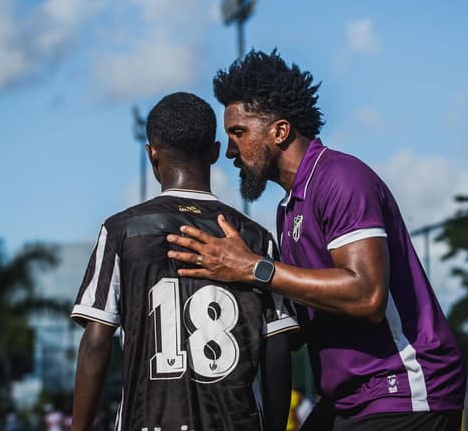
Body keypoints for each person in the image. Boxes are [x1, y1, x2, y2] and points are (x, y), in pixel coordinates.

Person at [166, 51, 467, 430]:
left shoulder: (341, 178)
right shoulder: (289, 208)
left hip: (402, 388)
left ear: (279, 131)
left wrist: (252, 268)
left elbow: (367, 295)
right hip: (351, 397)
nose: (229, 151)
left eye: (238, 133)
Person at [70, 92, 298, 431]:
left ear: (152, 154)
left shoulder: (122, 230)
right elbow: (276, 348)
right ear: (215, 152)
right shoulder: (254, 238)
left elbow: (97, 341)